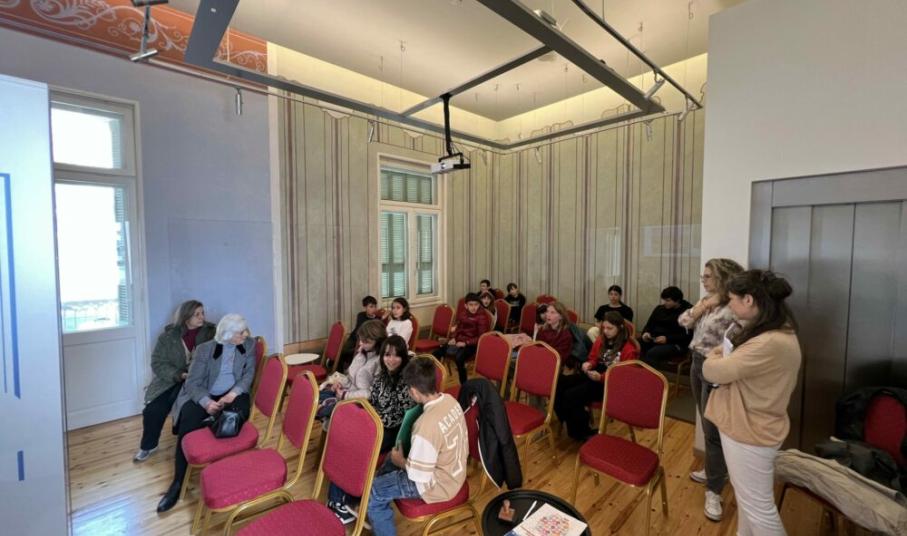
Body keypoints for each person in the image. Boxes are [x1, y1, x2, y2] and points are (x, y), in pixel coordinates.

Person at [703, 270, 801, 536]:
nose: (730, 306)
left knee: (759, 509)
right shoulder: (774, 332)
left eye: (732, 299)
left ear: (748, 300)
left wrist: (714, 355)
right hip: (752, 425)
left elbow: (713, 371)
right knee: (748, 502)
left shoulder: (768, 342)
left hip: (750, 431)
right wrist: (721, 356)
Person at [156, 314, 256, 513]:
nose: (246, 334)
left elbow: (248, 375)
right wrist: (207, 402)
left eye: (245, 330)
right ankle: (178, 482)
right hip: (205, 393)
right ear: (227, 335)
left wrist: (233, 393)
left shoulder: (249, 345)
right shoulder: (205, 350)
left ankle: (225, 475)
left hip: (233, 394)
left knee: (233, 419)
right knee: (187, 426)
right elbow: (192, 383)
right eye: (240, 332)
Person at [366, 357, 468, 536]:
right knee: (390, 459)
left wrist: (400, 462)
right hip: (454, 473)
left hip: (437, 486)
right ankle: (376, 505)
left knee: (373, 490)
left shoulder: (425, 426)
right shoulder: (450, 400)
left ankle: (375, 504)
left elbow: (418, 475)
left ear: (413, 391)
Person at [678, 257, 744, 522]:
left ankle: (714, 491)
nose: (703, 280)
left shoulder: (735, 306)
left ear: (722, 278)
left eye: (707, 276)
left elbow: (738, 340)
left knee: (713, 429)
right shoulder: (706, 301)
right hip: (696, 362)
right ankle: (713, 469)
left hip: (715, 367)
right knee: (705, 423)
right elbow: (684, 321)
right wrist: (704, 305)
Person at [327, 335, 415, 524]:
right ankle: (337, 500)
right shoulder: (382, 375)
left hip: (392, 430)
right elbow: (373, 400)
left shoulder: (406, 381)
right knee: (344, 439)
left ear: (403, 357)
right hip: (375, 422)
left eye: (396, 355)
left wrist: (369, 423)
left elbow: (400, 417)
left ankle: (344, 501)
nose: (391, 360)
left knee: (355, 448)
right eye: (387, 355)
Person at [135, 300, 215, 462]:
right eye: (196, 314)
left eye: (202, 313)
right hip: (172, 380)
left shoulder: (211, 333)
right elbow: (158, 363)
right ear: (186, 317)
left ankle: (190, 447)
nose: (202, 317)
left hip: (199, 381)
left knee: (187, 409)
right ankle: (148, 445)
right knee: (153, 410)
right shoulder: (168, 337)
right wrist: (179, 374)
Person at [555, 311, 638, 440]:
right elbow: (594, 358)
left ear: (620, 328)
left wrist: (601, 377)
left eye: (610, 328)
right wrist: (589, 364)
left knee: (571, 395)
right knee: (558, 383)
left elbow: (624, 377)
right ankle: (569, 418)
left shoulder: (629, 349)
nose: (605, 331)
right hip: (596, 374)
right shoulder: (601, 339)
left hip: (611, 383)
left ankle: (582, 431)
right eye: (604, 327)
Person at [318, 320, 386, 418]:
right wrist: (340, 383)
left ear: (378, 342)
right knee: (315, 396)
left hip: (360, 402)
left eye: (365, 342)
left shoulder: (380, 362)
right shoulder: (362, 354)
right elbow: (351, 378)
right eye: (361, 339)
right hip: (348, 393)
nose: (360, 343)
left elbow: (370, 394)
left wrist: (344, 395)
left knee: (322, 409)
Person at [437, 293, 490, 385]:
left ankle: (464, 384)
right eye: (471, 305)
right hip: (460, 341)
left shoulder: (482, 317)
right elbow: (458, 329)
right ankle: (434, 379)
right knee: (437, 352)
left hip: (473, 344)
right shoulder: (463, 314)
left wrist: (466, 343)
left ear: (479, 305)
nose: (474, 307)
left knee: (459, 358)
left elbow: (482, 337)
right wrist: (454, 338)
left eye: (476, 305)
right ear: (466, 306)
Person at [639, 286, 693, 368]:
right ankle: (635, 372)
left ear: (677, 300)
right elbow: (649, 325)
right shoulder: (659, 309)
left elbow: (687, 336)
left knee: (653, 353)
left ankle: (651, 375)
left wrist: (667, 339)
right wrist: (646, 333)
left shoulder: (687, 312)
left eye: (668, 300)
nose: (665, 303)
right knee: (635, 345)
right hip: (655, 339)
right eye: (664, 300)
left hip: (676, 344)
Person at [338, 295, 380, 372]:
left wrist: (380, 319)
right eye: (371, 307)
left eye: (375, 306)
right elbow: (363, 327)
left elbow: (373, 331)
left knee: (355, 352)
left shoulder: (377, 318)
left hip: (364, 341)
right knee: (343, 351)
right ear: (365, 307)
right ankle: (339, 370)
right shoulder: (361, 315)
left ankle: (348, 367)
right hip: (354, 338)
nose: (374, 309)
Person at [535, 301, 574, 365]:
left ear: (561, 317)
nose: (548, 315)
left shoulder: (566, 336)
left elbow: (559, 358)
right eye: (547, 311)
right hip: (540, 360)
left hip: (554, 365)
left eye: (552, 312)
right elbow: (537, 347)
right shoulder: (542, 330)